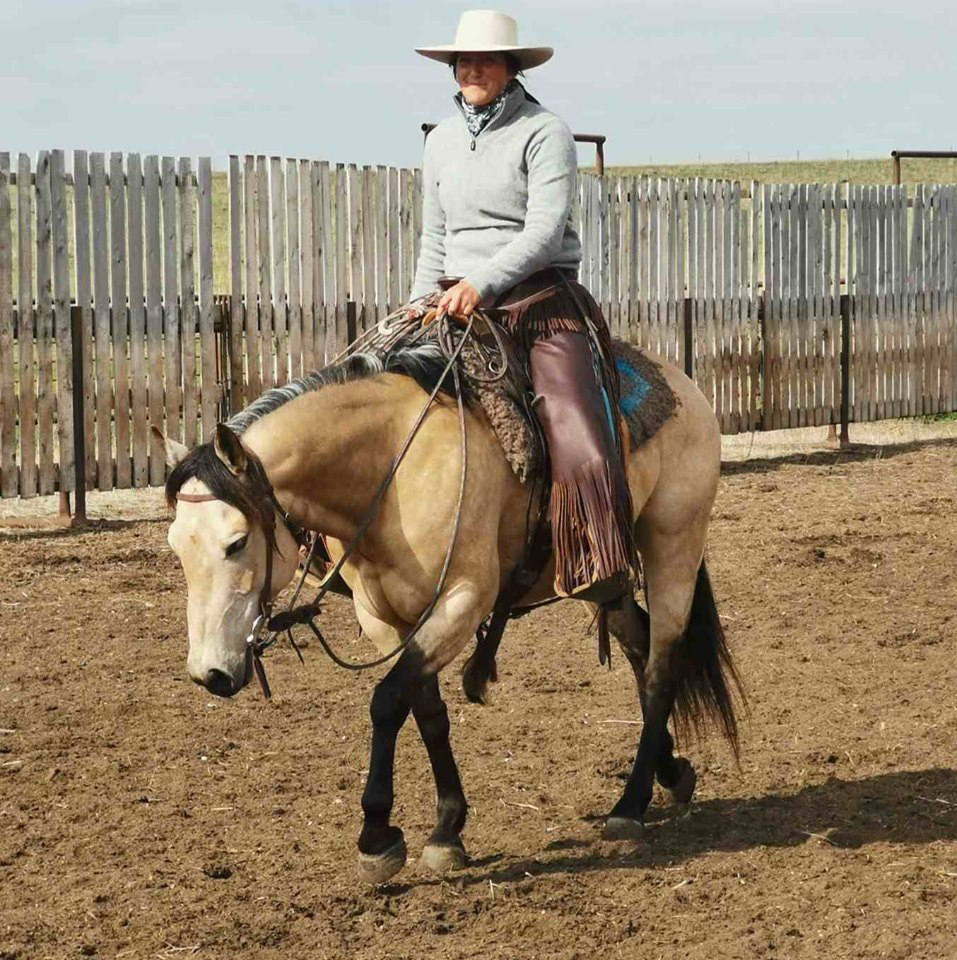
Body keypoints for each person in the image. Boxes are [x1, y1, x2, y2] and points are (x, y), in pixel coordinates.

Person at [412, 10, 636, 603]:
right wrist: (419, 300)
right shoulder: (439, 142)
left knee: (572, 421)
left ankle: (596, 552)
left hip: (536, 299)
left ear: (512, 68)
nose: (472, 69)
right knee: (367, 384)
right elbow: (434, 236)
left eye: (485, 59)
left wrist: (480, 284)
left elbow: (542, 232)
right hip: (452, 298)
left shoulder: (545, 132)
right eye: (462, 61)